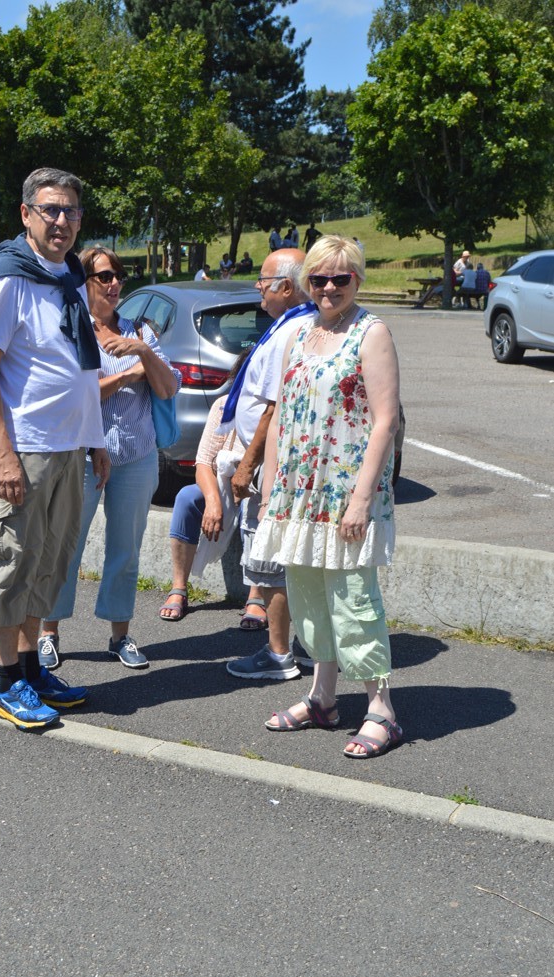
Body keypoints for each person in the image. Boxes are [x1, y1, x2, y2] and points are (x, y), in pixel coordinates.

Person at [0, 166, 110, 730]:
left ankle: (30, 670)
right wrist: (3, 454)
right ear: (26, 215)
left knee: (48, 565)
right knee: (14, 563)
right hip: (25, 451)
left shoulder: (69, 276)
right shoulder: (12, 278)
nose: (61, 221)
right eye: (50, 210)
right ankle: (6, 684)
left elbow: (77, 368)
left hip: (69, 448)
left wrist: (94, 438)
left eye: (70, 211)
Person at [254, 235, 402, 758]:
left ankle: (382, 709)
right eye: (319, 279)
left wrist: (361, 499)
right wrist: (270, 488)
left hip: (345, 492)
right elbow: (281, 415)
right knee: (308, 597)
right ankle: (323, 698)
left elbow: (385, 421)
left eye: (341, 278)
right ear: (307, 282)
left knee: (353, 600)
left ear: (357, 279)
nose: (330, 288)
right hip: (299, 494)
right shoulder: (298, 334)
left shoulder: (371, 332)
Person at [39, 246, 180, 671]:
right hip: (83, 457)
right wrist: (126, 376)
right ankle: (48, 633)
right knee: (65, 546)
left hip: (137, 456)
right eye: (104, 276)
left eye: (119, 275)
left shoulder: (140, 331)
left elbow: (168, 387)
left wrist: (143, 353)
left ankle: (120, 635)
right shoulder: (73, 327)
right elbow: (72, 395)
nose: (115, 283)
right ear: (85, 281)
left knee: (126, 550)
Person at [222, 249, 317, 680]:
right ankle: (307, 648)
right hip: (280, 462)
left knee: (272, 558)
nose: (258, 287)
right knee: (291, 559)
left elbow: (273, 410)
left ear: (286, 287)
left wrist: (247, 465)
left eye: (263, 280)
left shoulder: (292, 329)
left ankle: (279, 653)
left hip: (273, 466)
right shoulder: (297, 324)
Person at [160, 352, 267, 629]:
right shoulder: (223, 406)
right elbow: (203, 462)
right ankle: (179, 587)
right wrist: (213, 502)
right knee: (186, 498)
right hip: (222, 484)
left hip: (260, 489)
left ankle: (256, 596)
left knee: (255, 508)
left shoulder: (274, 413)